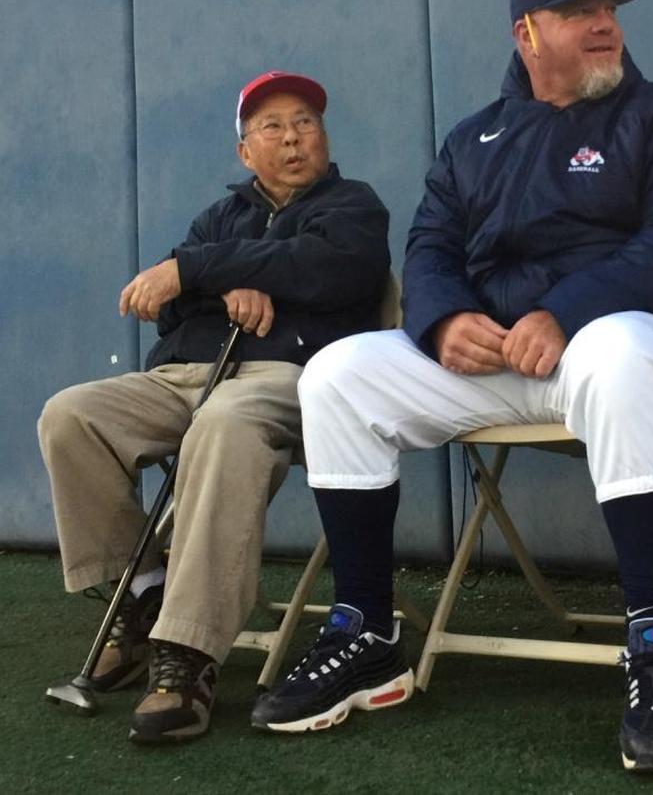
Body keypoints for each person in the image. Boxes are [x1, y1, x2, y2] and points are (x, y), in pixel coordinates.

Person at [251, 0, 653, 773]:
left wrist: (570, 309)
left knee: (619, 353)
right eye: (582, 12)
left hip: (612, 345)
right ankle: (369, 628)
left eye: (610, 9)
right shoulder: (475, 136)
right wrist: (441, 322)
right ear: (527, 33)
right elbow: (430, 244)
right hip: (489, 358)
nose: (605, 24)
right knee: (337, 373)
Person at [38, 71, 391, 744]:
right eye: (272, 127)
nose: (292, 137)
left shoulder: (353, 205)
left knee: (223, 425)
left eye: (305, 122)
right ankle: (142, 593)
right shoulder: (220, 216)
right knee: (70, 415)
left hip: (288, 374)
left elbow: (329, 271)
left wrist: (214, 270)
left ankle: (188, 655)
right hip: (189, 372)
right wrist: (229, 283)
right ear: (245, 151)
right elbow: (164, 302)